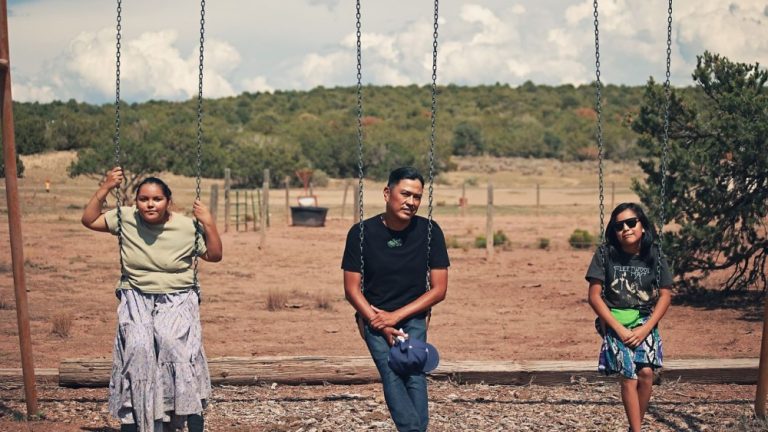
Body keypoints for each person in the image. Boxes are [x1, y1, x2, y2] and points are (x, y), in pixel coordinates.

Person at [82, 167, 222, 432]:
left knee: (172, 343)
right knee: (138, 347)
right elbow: (89, 220)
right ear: (136, 201)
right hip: (136, 294)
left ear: (168, 202)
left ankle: (189, 411)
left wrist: (209, 223)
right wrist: (105, 188)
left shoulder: (186, 226)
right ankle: (134, 418)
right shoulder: (125, 218)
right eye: (143, 198)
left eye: (156, 199)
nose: (150, 204)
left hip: (177, 296)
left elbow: (214, 255)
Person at [342, 166, 449, 432]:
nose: (411, 202)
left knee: (413, 371)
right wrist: (380, 322)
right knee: (391, 370)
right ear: (388, 193)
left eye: (416, 197)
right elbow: (352, 289)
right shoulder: (361, 233)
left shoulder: (430, 231)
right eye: (405, 194)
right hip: (373, 314)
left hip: (412, 315)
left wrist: (396, 318)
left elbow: (439, 289)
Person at [586, 202, 672, 432]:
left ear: (642, 225)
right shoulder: (605, 254)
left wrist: (646, 329)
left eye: (631, 222)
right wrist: (618, 329)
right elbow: (594, 296)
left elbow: (665, 295)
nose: (625, 228)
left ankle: (634, 427)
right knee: (629, 376)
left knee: (646, 374)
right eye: (618, 225)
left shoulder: (655, 254)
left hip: (645, 321)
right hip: (614, 321)